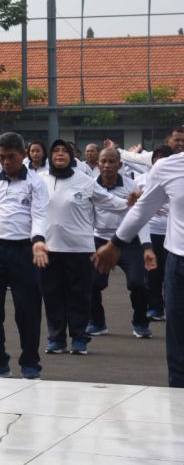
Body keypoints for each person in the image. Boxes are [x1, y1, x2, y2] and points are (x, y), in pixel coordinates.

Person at [94, 148, 183, 387]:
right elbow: (142, 209)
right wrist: (115, 243)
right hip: (179, 263)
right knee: (178, 337)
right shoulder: (168, 167)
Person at [33, 140, 128, 356]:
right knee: (52, 295)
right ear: (50, 156)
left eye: (64, 151)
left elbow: (109, 201)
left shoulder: (85, 181)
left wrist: (130, 204)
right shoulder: (39, 181)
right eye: (55, 151)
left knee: (80, 295)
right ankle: (56, 339)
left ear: (71, 156)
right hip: (49, 249)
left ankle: (78, 338)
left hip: (80, 248)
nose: (59, 154)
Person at [0, 132, 49, 380]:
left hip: (25, 250)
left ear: (23, 154)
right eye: (2, 157)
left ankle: (30, 362)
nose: (6, 162)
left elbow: (40, 214)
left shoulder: (35, 182)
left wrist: (39, 241)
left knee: (27, 309)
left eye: (11, 157)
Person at [88, 147, 152, 339]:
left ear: (120, 164)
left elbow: (141, 218)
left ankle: (140, 323)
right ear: (98, 164)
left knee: (138, 284)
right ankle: (97, 322)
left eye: (112, 162)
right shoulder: (90, 186)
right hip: (99, 240)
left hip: (128, 241)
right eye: (103, 162)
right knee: (91, 284)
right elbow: (88, 218)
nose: (107, 166)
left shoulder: (132, 187)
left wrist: (147, 246)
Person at [141, 145, 174, 321]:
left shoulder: (176, 178)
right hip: (151, 232)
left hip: (171, 234)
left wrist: (163, 206)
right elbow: (138, 206)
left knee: (170, 273)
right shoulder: (142, 179)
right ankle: (155, 307)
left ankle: (172, 307)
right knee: (152, 272)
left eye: (163, 157)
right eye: (156, 157)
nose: (158, 160)